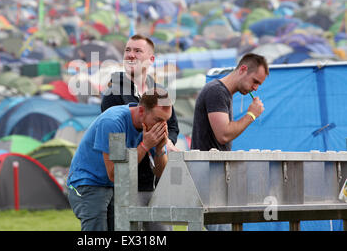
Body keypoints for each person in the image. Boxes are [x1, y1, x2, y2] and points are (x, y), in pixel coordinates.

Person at [101, 34, 179, 230]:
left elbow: (173, 126)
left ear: (151, 59)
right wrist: (146, 143)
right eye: (127, 50)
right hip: (127, 182)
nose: (131, 55)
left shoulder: (159, 90)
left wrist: (167, 141)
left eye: (137, 51)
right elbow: (115, 137)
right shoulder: (114, 93)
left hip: (156, 179)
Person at [67, 88, 172, 231]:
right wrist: (145, 146)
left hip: (113, 187)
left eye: (166, 121)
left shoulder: (149, 127)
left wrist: (159, 149)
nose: (161, 126)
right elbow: (115, 174)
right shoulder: (113, 122)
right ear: (141, 111)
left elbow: (162, 175)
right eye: (158, 120)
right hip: (88, 183)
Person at [191, 53, 269, 151]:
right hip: (207, 165)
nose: (255, 88)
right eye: (255, 81)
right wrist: (251, 115)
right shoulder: (216, 91)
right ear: (243, 70)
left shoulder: (223, 92)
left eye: (259, 84)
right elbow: (224, 135)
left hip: (211, 165)